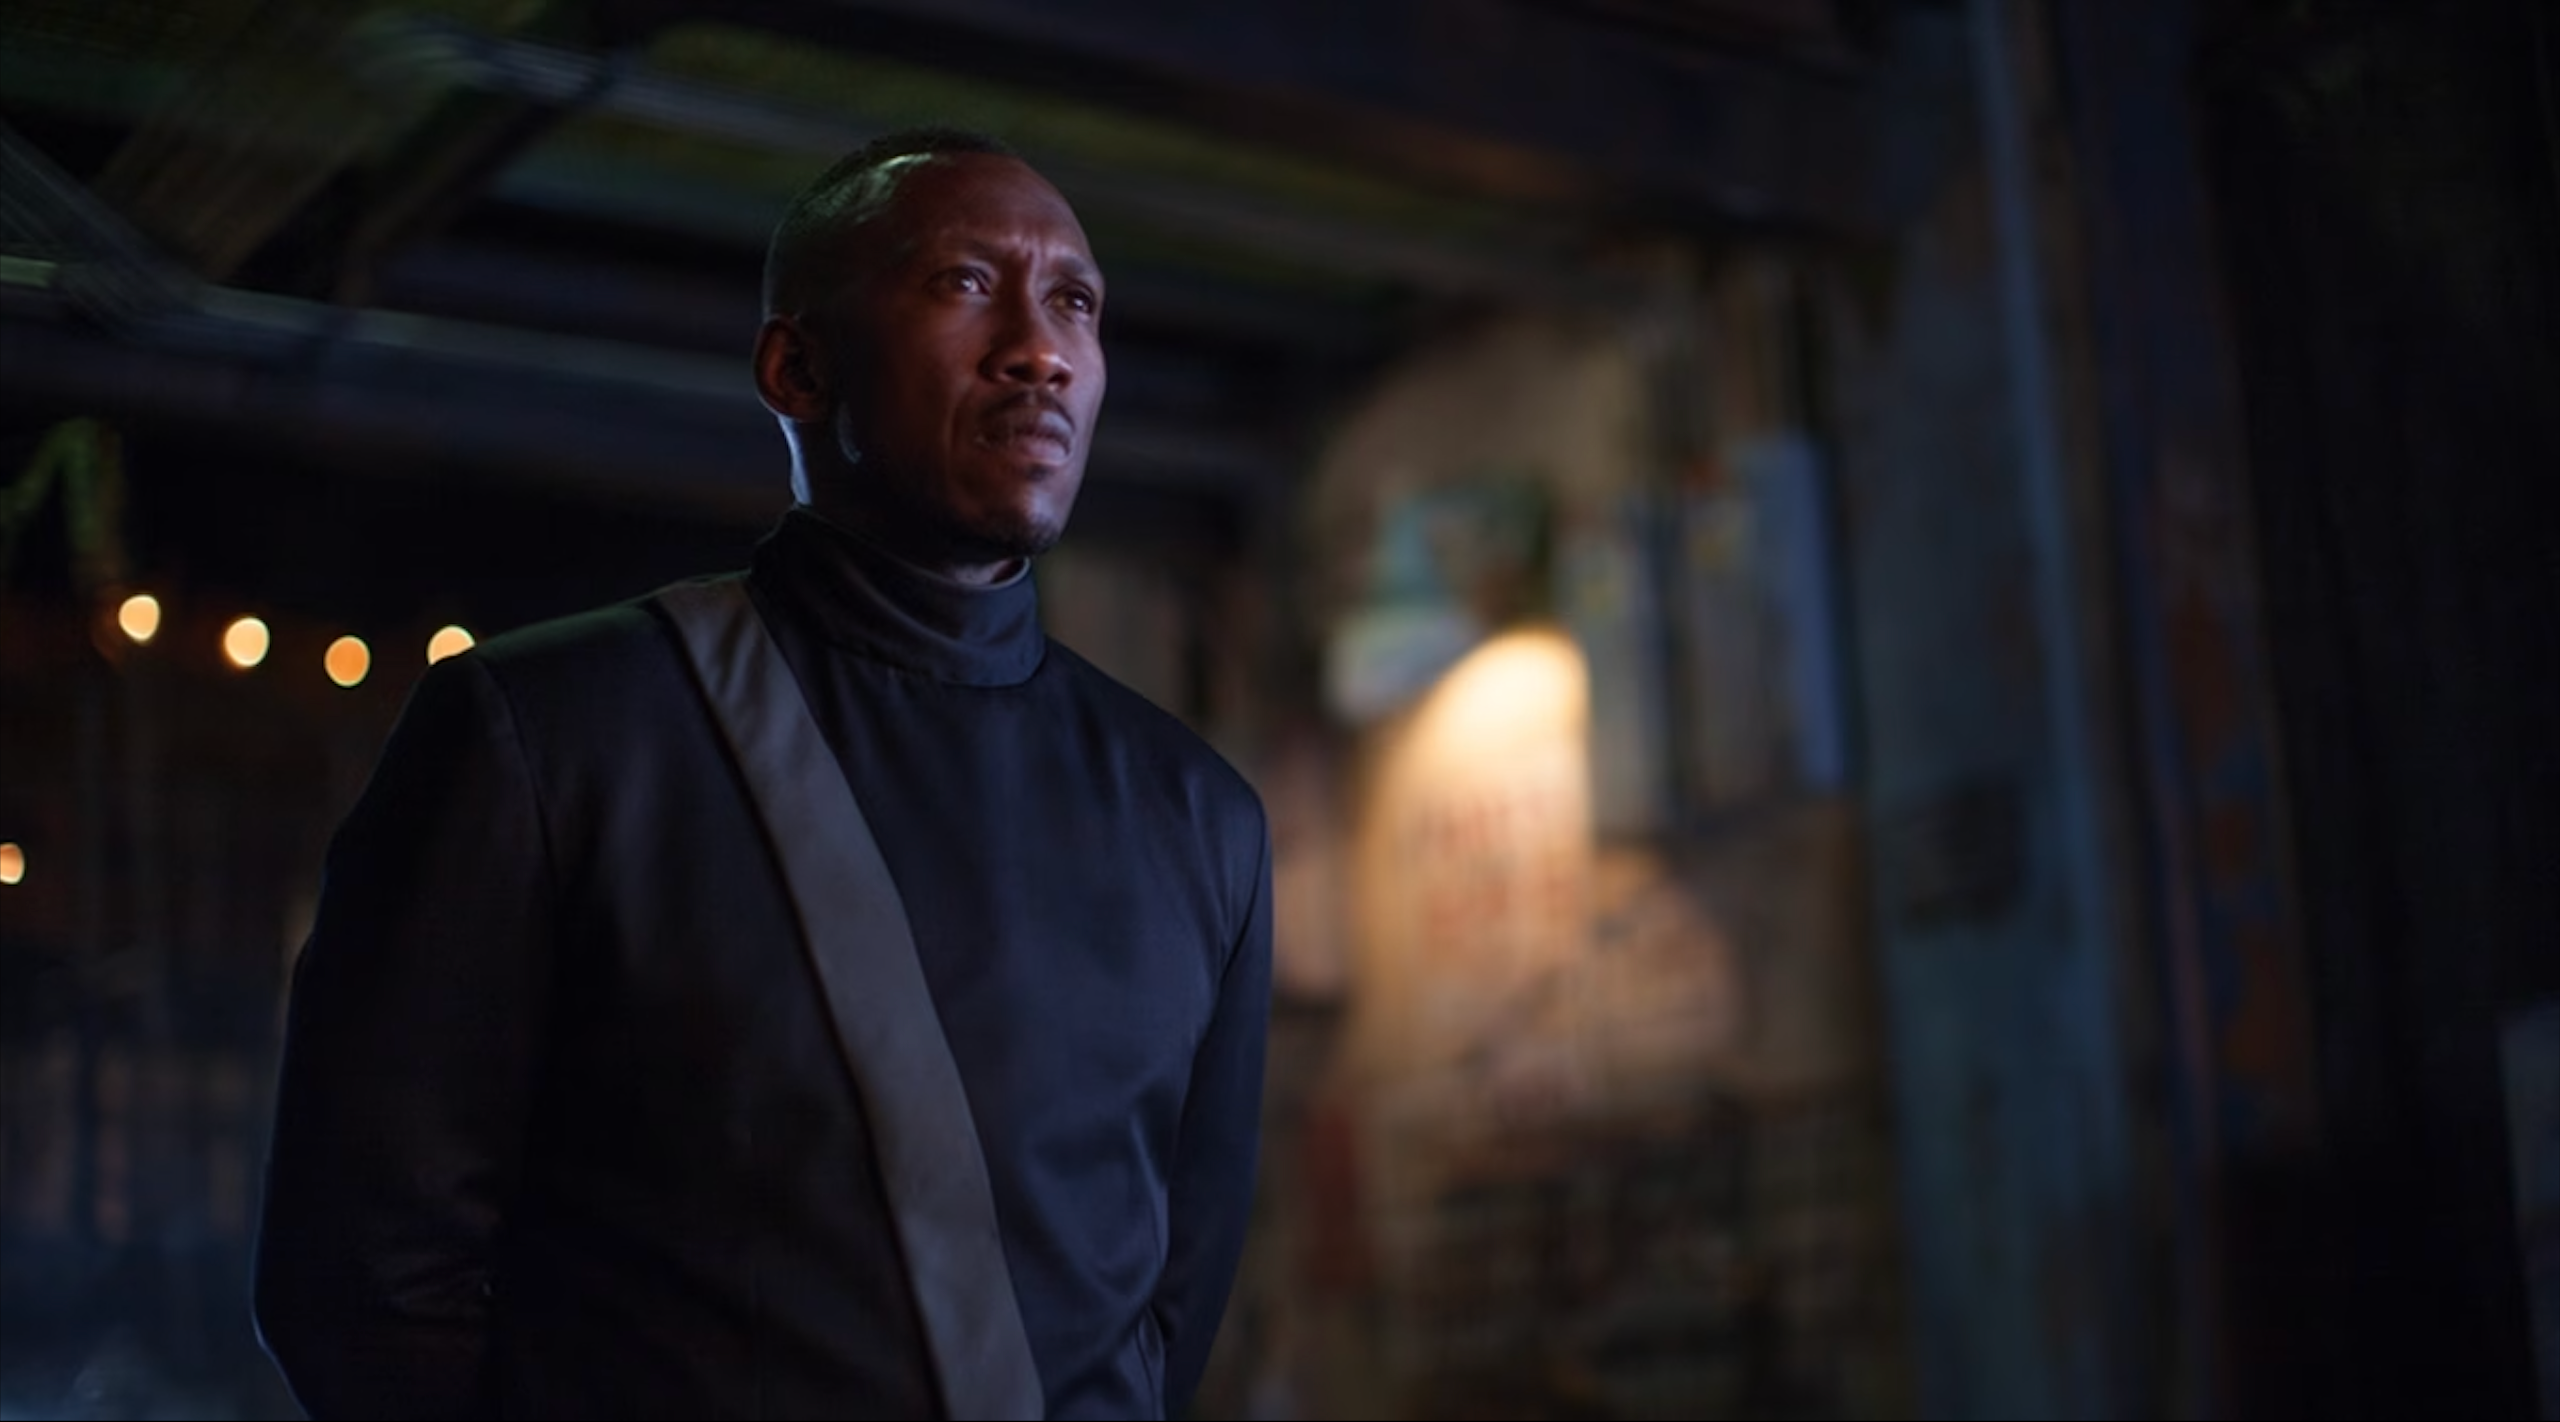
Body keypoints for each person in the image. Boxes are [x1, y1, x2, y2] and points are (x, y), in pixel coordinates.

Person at [250, 126, 1275, 1421]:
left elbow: (1172, 1310)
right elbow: (362, 1278)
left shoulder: (1198, 817)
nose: (1040, 348)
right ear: (796, 370)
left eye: (1074, 300)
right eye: (965, 283)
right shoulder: (552, 732)